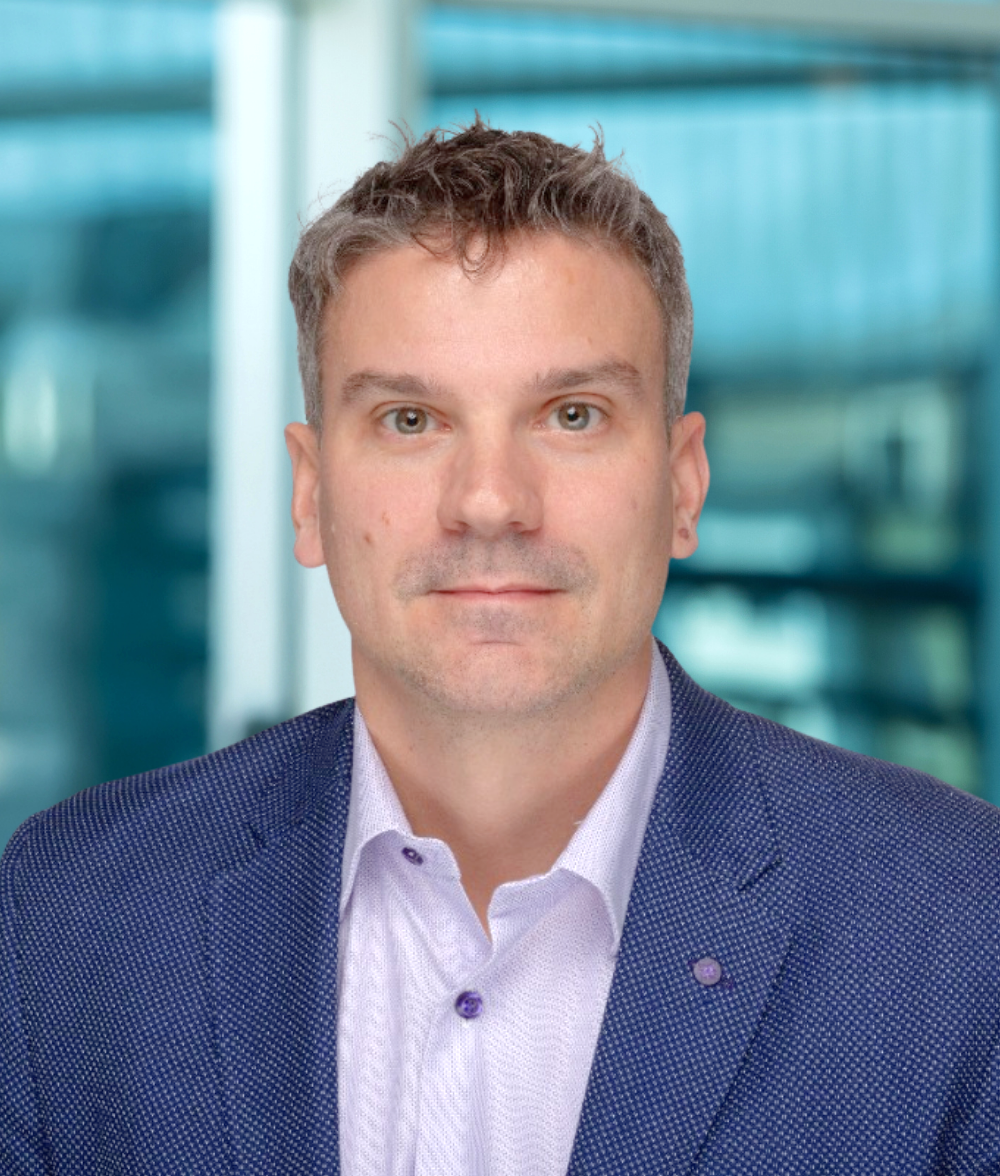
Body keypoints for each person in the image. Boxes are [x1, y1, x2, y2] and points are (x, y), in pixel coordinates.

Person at [2, 120, 998, 1176]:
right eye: (408, 420)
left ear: (683, 485)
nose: (489, 502)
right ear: (309, 491)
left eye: (571, 415)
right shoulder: (75, 916)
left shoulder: (955, 927)